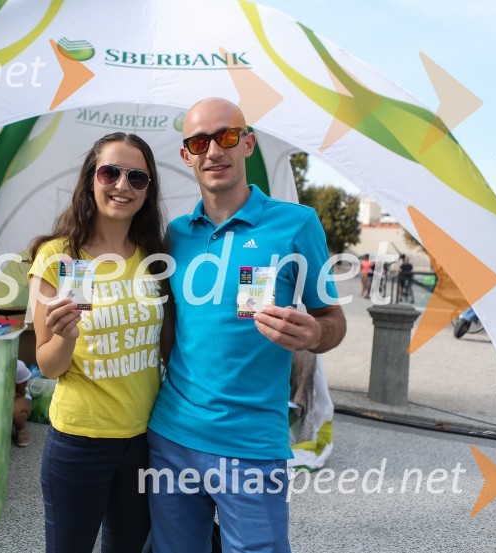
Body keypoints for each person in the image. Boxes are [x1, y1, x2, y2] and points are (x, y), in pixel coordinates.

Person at [147, 98, 347, 553]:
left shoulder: (297, 224)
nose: (213, 150)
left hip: (252, 446)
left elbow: (332, 319)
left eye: (227, 136)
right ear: (186, 156)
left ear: (248, 144)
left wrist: (314, 335)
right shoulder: (175, 234)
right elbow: (170, 330)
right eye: (199, 141)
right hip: (171, 438)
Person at [27, 132, 166, 553]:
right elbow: (48, 366)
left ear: (147, 190)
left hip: (144, 440)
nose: (122, 186)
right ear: (92, 178)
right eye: (110, 172)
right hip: (79, 441)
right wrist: (65, 337)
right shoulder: (57, 258)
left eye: (137, 178)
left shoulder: (156, 259)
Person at [13, 360, 32, 447]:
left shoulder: (18, 366)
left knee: (18, 412)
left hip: (15, 397)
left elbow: (20, 393)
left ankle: (21, 429)